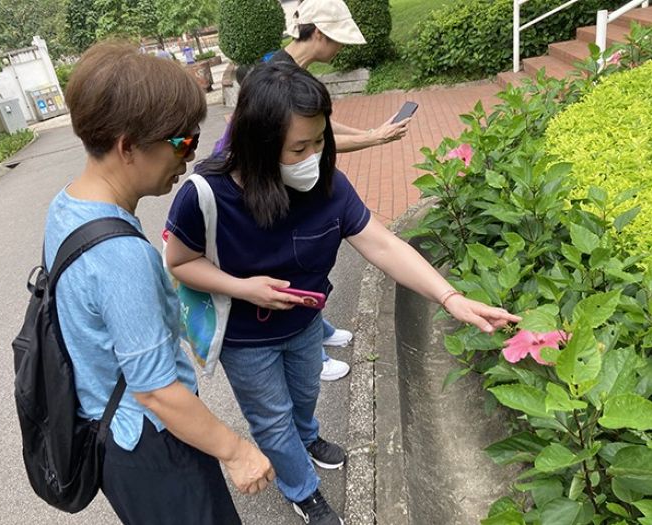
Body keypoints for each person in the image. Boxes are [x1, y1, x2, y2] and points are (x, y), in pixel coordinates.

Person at [165, 62, 520, 525]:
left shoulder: (328, 184)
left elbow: (382, 243)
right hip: (245, 338)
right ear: (258, 143)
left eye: (320, 141)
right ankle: (303, 489)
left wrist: (451, 297)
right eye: (299, 148)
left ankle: (307, 437)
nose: (313, 156)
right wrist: (243, 288)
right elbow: (180, 263)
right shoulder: (205, 195)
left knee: (305, 394)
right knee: (272, 418)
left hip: (305, 323)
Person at [50, 42, 273, 525]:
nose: (189, 158)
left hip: (108, 431)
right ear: (127, 146)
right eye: (182, 143)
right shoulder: (121, 256)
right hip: (153, 444)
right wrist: (237, 451)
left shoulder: (68, 205)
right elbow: (155, 391)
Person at [221, 0, 413, 382]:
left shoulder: (290, 68)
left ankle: (316, 329)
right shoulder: (273, 74)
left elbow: (318, 127)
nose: (341, 49)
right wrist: (375, 139)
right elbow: (302, 144)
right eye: (339, 39)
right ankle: (310, 356)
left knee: (305, 259)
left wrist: (372, 133)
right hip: (262, 184)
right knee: (288, 263)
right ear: (320, 33)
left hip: (283, 179)